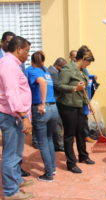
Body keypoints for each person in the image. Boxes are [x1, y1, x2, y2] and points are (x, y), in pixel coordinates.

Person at [0, 36, 33, 199]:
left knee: (16, 153)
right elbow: (11, 93)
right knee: (11, 154)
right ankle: (10, 192)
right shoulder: (8, 65)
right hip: (12, 115)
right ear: (18, 49)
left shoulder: (12, 64)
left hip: (14, 115)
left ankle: (16, 181)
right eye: (26, 51)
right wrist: (24, 116)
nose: (28, 54)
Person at [57, 45, 95, 174]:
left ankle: (83, 156)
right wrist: (74, 88)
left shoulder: (82, 70)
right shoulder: (68, 69)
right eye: (88, 62)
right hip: (68, 106)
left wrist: (88, 104)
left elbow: (84, 89)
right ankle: (71, 163)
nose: (88, 65)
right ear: (83, 59)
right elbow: (60, 86)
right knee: (69, 135)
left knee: (81, 133)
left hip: (79, 105)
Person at [26, 51, 59, 182]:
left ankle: (49, 174)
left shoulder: (32, 70)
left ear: (32, 60)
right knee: (49, 138)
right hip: (53, 108)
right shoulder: (45, 70)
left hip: (42, 109)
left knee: (42, 142)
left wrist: (42, 103)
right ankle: (53, 168)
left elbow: (42, 83)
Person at [48, 57, 67, 152]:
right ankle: (59, 144)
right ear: (58, 65)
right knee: (58, 123)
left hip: (52, 100)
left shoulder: (50, 70)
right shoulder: (54, 72)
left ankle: (57, 143)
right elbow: (58, 86)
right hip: (55, 100)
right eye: (63, 67)